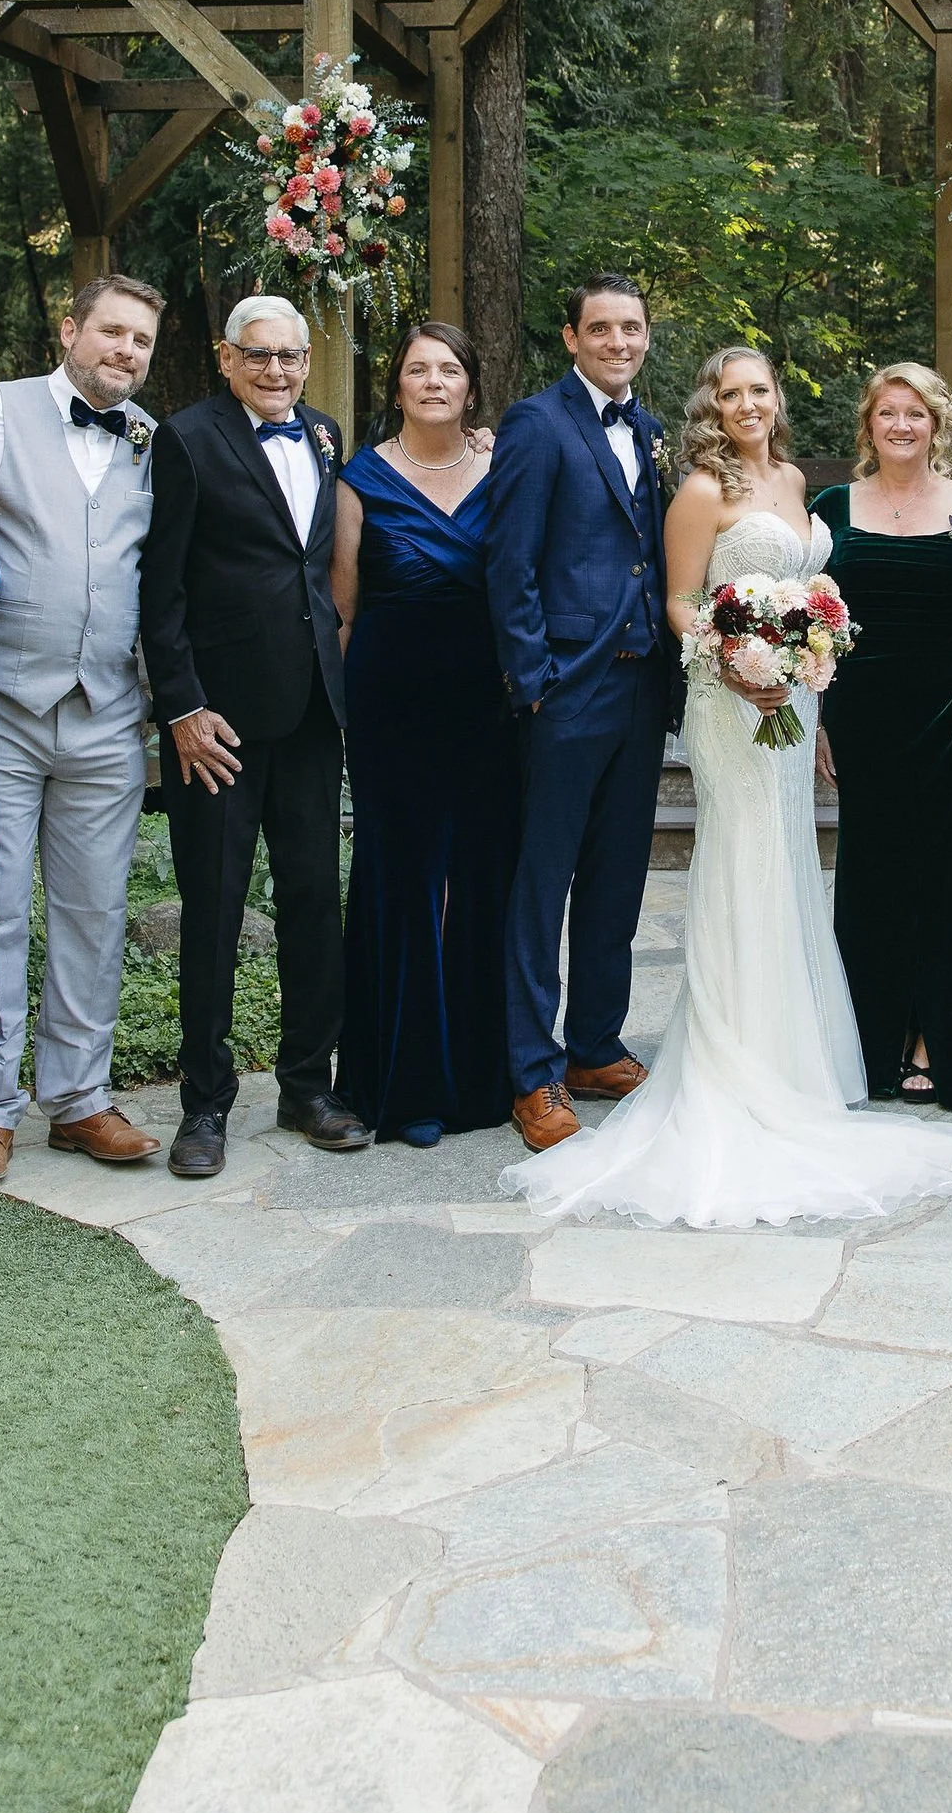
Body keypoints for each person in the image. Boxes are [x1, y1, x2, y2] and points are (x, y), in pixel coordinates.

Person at [503, 345, 952, 1227]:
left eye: (760, 390)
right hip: (728, 702)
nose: (748, 404)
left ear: (777, 398)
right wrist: (735, 661)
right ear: (713, 403)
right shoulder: (703, 490)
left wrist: (807, 656)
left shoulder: (796, 484)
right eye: (731, 392)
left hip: (793, 702)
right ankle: (736, 1063)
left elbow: (815, 589)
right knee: (742, 864)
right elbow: (679, 599)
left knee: (788, 868)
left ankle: (793, 1059)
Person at [139, 292, 367, 1178]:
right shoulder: (187, 439)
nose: (277, 369)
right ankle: (205, 1104)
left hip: (310, 713)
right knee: (215, 911)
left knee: (313, 902)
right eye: (259, 354)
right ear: (226, 357)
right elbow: (160, 589)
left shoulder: (326, 435)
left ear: (306, 361)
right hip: (218, 726)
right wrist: (182, 708)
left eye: (290, 355)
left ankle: (309, 1084)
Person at [0, 274, 168, 1184]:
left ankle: (78, 1098)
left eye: (141, 340)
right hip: (0, 706)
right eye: (111, 331)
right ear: (69, 329)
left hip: (109, 714)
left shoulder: (151, 438)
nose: (125, 350)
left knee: (95, 912)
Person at [486, 272, 674, 1152]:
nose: (617, 342)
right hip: (567, 687)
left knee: (616, 875)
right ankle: (534, 1070)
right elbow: (510, 559)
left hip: (642, 685)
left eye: (630, 327)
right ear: (571, 338)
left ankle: (597, 1044)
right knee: (543, 881)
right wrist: (535, 680)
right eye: (600, 328)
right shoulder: (536, 423)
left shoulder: (654, 430)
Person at [333, 319, 515, 1147]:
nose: (434, 381)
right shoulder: (360, 478)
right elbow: (343, 607)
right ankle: (399, 1086)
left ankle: (479, 1078)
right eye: (417, 369)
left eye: (449, 369)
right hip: (391, 703)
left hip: (484, 702)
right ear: (397, 385)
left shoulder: (503, 467)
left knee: (481, 877)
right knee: (399, 880)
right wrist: (346, 718)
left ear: (471, 386)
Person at [811, 363, 952, 1109]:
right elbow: (810, 619)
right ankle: (872, 1040)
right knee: (871, 877)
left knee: (945, 877)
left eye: (915, 413)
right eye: (887, 412)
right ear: (868, 424)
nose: (900, 424)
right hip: (861, 718)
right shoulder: (831, 508)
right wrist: (817, 719)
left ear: (936, 425)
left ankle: (936, 1040)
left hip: (950, 714)